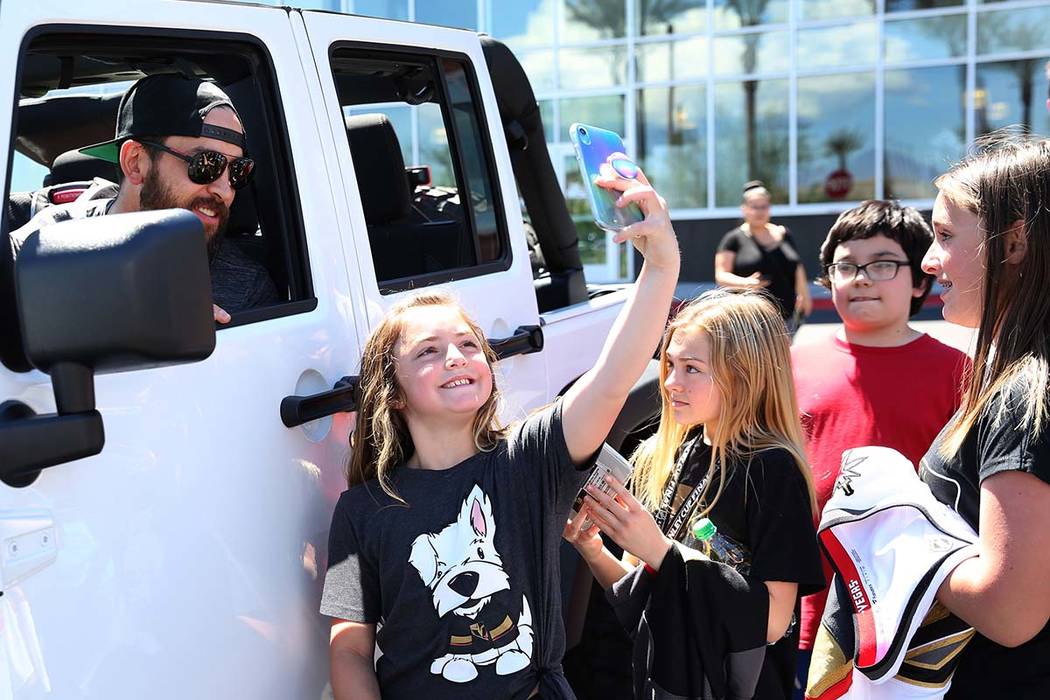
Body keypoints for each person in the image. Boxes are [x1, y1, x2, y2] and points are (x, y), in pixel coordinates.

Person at [320, 160, 679, 699]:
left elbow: (610, 380)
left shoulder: (528, 458)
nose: (455, 357)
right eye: (428, 352)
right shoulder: (360, 511)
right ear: (390, 392)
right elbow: (349, 646)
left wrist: (660, 266)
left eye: (468, 345)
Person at [565, 290, 825, 699]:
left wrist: (662, 551)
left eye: (692, 368)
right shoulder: (667, 454)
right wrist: (594, 550)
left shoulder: (772, 469)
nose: (670, 382)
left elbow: (774, 619)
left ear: (745, 375)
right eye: (670, 364)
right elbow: (639, 595)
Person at [791, 201, 969, 697]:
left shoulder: (964, 374)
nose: (862, 278)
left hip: (921, 612)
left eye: (883, 264)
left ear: (919, 281)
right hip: (808, 604)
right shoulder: (791, 364)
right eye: (846, 266)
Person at [917, 136, 1050, 698]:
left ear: (1014, 241)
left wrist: (895, 532)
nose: (928, 260)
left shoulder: (1028, 394)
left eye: (946, 236)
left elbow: (1011, 612)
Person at [9, 73, 279, 323]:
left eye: (237, 171)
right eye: (206, 164)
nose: (225, 190)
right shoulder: (45, 244)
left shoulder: (246, 286)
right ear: (136, 162)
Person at [715, 181, 811, 329]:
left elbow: (797, 266)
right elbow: (721, 275)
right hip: (751, 320)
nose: (759, 212)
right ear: (744, 209)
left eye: (764, 207)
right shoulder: (733, 239)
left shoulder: (783, 234)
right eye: (754, 207)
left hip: (787, 317)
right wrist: (746, 283)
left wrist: (805, 295)